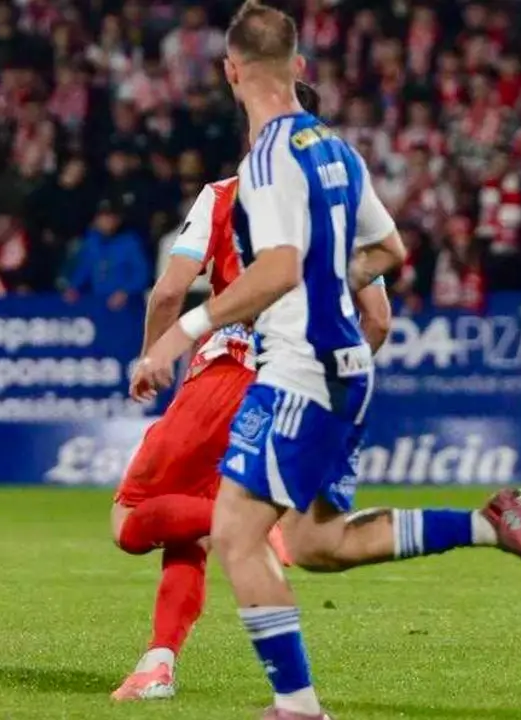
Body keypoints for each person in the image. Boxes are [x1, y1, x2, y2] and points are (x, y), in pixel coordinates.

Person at [132, 5, 521, 718]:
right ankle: (492, 523)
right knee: (316, 542)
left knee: (239, 537)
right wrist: (330, 277)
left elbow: (274, 270)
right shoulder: (335, 150)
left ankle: (298, 708)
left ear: (230, 71)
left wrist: (182, 332)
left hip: (298, 368)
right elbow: (391, 254)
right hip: (349, 367)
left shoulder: (269, 156)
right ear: (300, 67)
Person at [109, 81, 392, 702]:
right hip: (289, 387)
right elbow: (378, 320)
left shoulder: (224, 196)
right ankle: (157, 662)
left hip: (223, 377)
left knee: (129, 519)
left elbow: (167, 292)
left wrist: (154, 356)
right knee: (188, 534)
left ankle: (255, 528)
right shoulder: (334, 205)